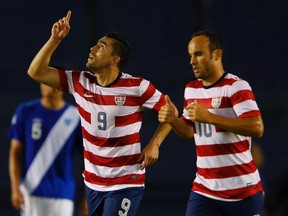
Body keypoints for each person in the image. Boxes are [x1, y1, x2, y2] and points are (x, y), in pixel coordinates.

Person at [27, 11, 171, 216]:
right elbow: (35, 72)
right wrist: (55, 39)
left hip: (125, 181)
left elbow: (170, 112)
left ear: (115, 59)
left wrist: (155, 143)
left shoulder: (137, 86)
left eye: (101, 46)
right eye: (95, 44)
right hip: (93, 182)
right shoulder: (79, 81)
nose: (92, 48)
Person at [158, 29, 265, 216]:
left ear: (217, 54)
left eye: (198, 54)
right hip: (205, 189)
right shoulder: (191, 89)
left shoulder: (236, 86)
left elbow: (256, 127)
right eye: (190, 56)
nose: (192, 61)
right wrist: (173, 120)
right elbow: (190, 131)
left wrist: (210, 117)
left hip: (242, 190)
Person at [8, 83, 85, 216]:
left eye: (50, 83)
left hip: (63, 194)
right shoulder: (26, 111)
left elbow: (87, 159)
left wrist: (88, 197)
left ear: (62, 87)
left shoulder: (75, 117)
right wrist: (15, 188)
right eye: (43, 82)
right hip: (30, 191)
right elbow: (15, 153)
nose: (46, 87)